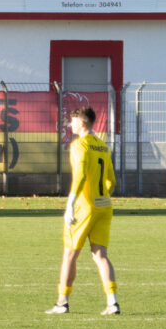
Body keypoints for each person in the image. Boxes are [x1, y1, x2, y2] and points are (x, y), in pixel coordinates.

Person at [45, 106, 119, 316]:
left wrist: (70, 204)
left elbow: (80, 176)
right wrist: (102, 196)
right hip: (104, 206)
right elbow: (111, 180)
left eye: (73, 121)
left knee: (69, 254)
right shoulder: (102, 146)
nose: (71, 124)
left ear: (83, 123)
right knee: (100, 255)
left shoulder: (80, 145)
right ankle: (112, 302)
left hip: (84, 207)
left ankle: (62, 303)